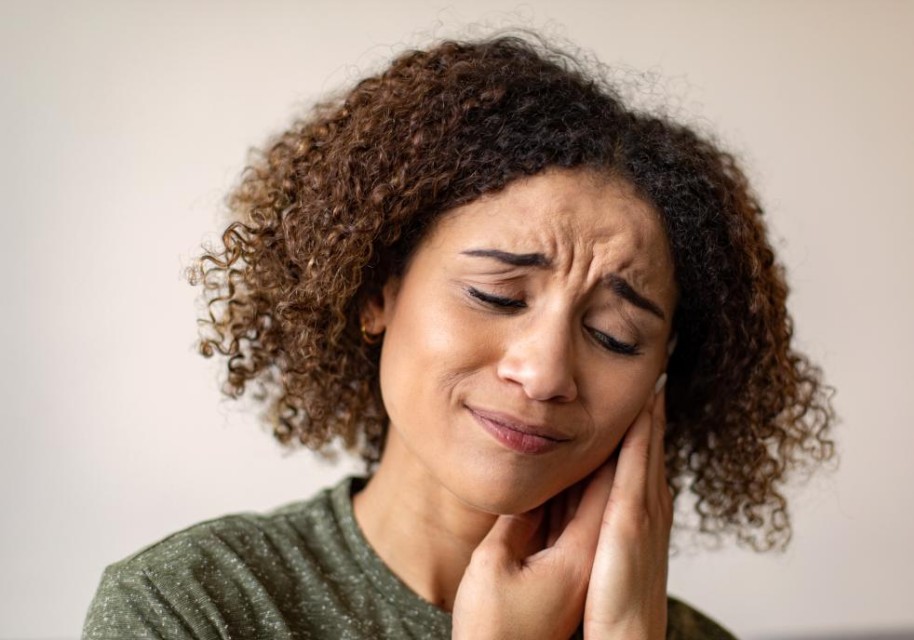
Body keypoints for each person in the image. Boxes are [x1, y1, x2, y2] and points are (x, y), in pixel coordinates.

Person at [83, 33, 835, 639]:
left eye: (613, 335)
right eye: (495, 294)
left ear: (664, 373)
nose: (544, 372)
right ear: (378, 289)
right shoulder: (191, 608)